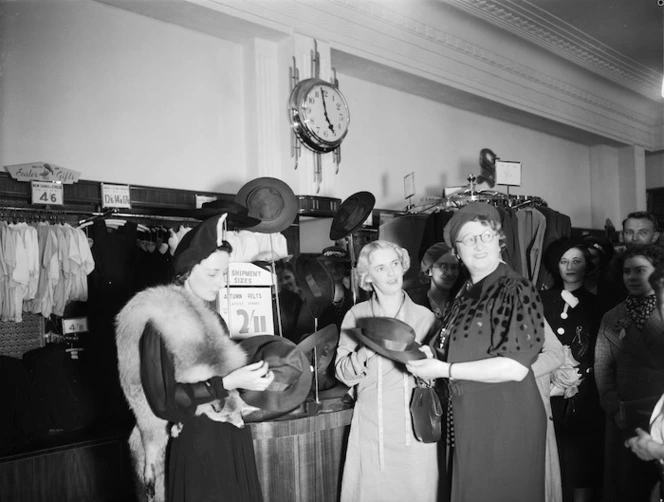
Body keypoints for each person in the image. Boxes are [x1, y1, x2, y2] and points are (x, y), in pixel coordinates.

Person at [115, 214, 274, 502]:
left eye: (224, 273)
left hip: (230, 439)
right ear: (187, 270)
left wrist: (254, 380)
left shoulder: (215, 320)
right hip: (196, 446)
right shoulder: (159, 322)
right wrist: (226, 382)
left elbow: (226, 386)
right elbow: (164, 401)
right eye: (213, 274)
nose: (220, 283)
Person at [406, 202, 546, 502]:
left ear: (500, 242)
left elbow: (515, 367)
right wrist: (431, 355)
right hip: (471, 414)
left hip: (507, 417)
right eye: (468, 239)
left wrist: (444, 370)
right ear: (457, 251)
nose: (479, 245)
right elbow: (454, 343)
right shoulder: (466, 291)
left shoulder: (515, 288)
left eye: (486, 236)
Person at [335, 240, 439, 502]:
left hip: (414, 425)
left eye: (394, 264)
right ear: (368, 277)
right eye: (381, 268)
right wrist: (364, 352)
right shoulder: (356, 316)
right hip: (372, 427)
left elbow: (439, 378)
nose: (392, 273)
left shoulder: (425, 317)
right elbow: (342, 373)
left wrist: (429, 365)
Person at [594, 244, 664, 502]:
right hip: (625, 413)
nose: (632, 277)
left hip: (661, 410)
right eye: (627, 271)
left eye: (641, 270)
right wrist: (614, 407)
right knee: (626, 485)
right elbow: (603, 367)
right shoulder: (612, 316)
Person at [540, 239, 604, 502]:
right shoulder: (541, 299)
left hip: (586, 392)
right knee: (553, 457)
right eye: (564, 261)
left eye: (576, 261)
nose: (570, 267)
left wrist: (580, 373)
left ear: (587, 264)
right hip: (550, 389)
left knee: (583, 459)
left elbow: (602, 348)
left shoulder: (598, 304)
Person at [415, 242, 462, 321]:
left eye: (454, 267)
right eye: (443, 267)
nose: (449, 273)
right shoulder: (416, 306)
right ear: (429, 270)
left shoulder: (462, 302)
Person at [316, 246, 354, 331]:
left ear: (345, 268)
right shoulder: (315, 298)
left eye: (338, 265)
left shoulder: (353, 299)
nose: (334, 270)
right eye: (329, 265)